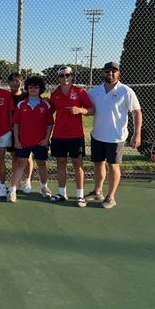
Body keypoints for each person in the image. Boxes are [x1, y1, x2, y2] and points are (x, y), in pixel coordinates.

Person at [86, 62, 142, 209]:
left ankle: (110, 197)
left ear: (119, 73)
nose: (110, 73)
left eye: (113, 71)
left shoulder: (126, 91)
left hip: (116, 137)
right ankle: (97, 191)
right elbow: (82, 103)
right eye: (107, 71)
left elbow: (137, 112)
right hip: (97, 135)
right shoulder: (94, 91)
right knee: (98, 164)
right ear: (102, 73)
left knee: (113, 166)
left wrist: (137, 134)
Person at [49, 66, 94, 207]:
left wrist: (79, 110)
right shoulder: (54, 93)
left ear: (72, 76)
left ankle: (80, 196)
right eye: (62, 75)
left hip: (75, 135)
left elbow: (92, 110)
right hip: (58, 135)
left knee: (77, 164)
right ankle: (62, 193)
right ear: (58, 78)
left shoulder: (80, 92)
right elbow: (50, 110)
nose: (65, 77)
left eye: (67, 75)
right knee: (60, 163)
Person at [7, 76, 54, 202]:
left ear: (40, 89)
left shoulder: (46, 105)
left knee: (41, 164)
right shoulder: (21, 104)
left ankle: (44, 187)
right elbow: (16, 123)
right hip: (24, 141)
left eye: (36, 87)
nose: (33, 89)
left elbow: (50, 124)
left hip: (40, 141)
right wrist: (16, 140)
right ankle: (12, 190)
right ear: (27, 88)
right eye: (30, 87)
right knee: (20, 163)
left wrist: (46, 139)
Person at [8, 72, 33, 193]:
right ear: (8, 83)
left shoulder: (27, 96)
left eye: (17, 81)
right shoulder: (7, 96)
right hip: (12, 131)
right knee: (15, 157)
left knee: (27, 157)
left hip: (26, 131)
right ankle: (15, 181)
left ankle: (27, 181)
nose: (14, 83)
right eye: (12, 81)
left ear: (21, 82)